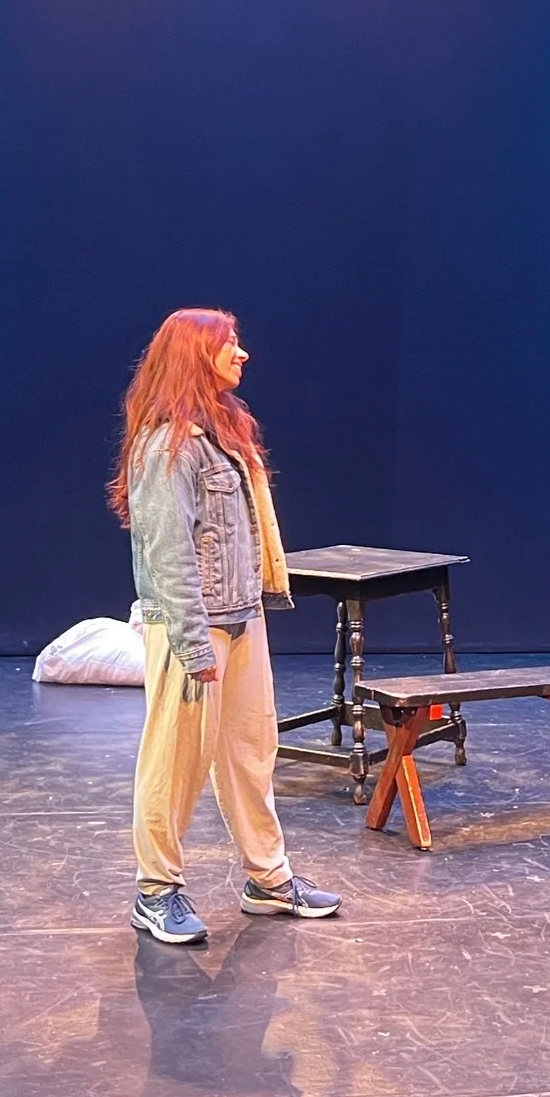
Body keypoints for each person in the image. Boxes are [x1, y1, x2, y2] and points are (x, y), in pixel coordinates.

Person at [109, 307, 343, 943]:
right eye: (229, 345)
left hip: (241, 617)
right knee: (175, 759)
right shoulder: (168, 443)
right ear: (193, 355)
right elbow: (167, 553)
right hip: (194, 626)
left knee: (250, 753)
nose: (243, 355)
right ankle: (156, 890)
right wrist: (191, 643)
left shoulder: (221, 432)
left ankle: (268, 879)